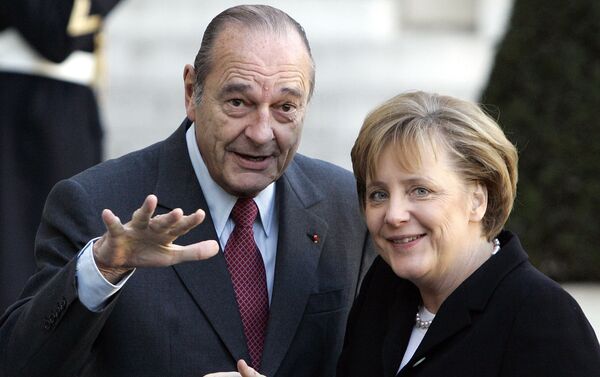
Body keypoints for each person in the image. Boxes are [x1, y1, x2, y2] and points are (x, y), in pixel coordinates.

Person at [0, 5, 375, 377]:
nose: (261, 133)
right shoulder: (98, 206)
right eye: (238, 102)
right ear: (191, 91)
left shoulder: (347, 208)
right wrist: (103, 269)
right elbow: (20, 364)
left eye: (285, 107)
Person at [336, 91, 600, 376]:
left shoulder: (543, 317)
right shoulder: (383, 288)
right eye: (378, 194)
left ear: (477, 200)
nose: (393, 214)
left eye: (420, 191)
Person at [0, 0, 122, 313]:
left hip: (66, 109)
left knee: (65, 260)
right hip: (18, 105)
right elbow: (55, 31)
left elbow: (59, 31)